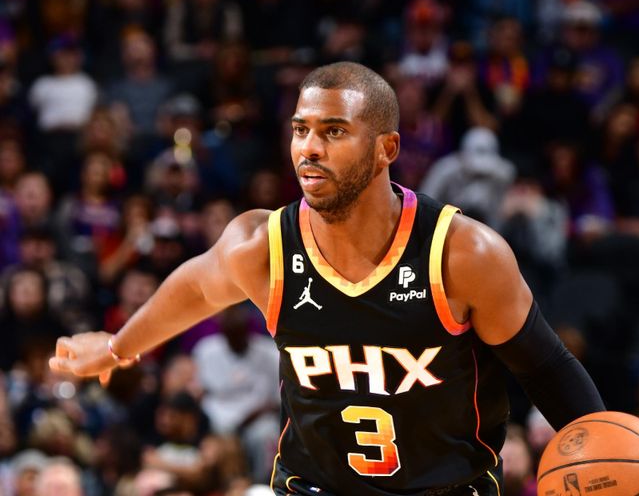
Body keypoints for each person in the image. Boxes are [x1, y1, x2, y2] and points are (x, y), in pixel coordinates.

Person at [49, 62, 604, 495]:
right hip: (312, 487)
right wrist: (120, 346)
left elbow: (547, 367)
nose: (309, 148)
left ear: (387, 148)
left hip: (447, 490)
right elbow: (195, 288)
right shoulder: (263, 247)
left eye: (333, 131)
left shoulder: (462, 253)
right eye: (301, 130)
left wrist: (608, 452)